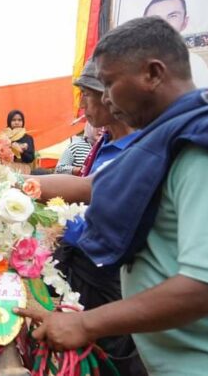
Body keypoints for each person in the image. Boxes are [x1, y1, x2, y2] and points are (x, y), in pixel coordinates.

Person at [18, 17, 208, 375]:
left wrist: (86, 324)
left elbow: (206, 285)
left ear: (152, 74)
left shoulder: (202, 145)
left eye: (109, 83)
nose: (105, 98)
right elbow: (91, 187)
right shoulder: (161, 142)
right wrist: (9, 187)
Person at [46, 59, 146, 376]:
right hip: (75, 261)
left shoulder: (137, 149)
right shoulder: (103, 144)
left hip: (106, 273)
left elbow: (86, 189)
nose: (83, 104)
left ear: (108, 96)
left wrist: (20, 184)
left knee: (109, 355)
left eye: (87, 95)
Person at [143, 0, 208, 88]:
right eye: (155, 18)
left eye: (172, 16)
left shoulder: (194, 63)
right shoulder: (130, 64)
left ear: (185, 22)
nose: (164, 23)